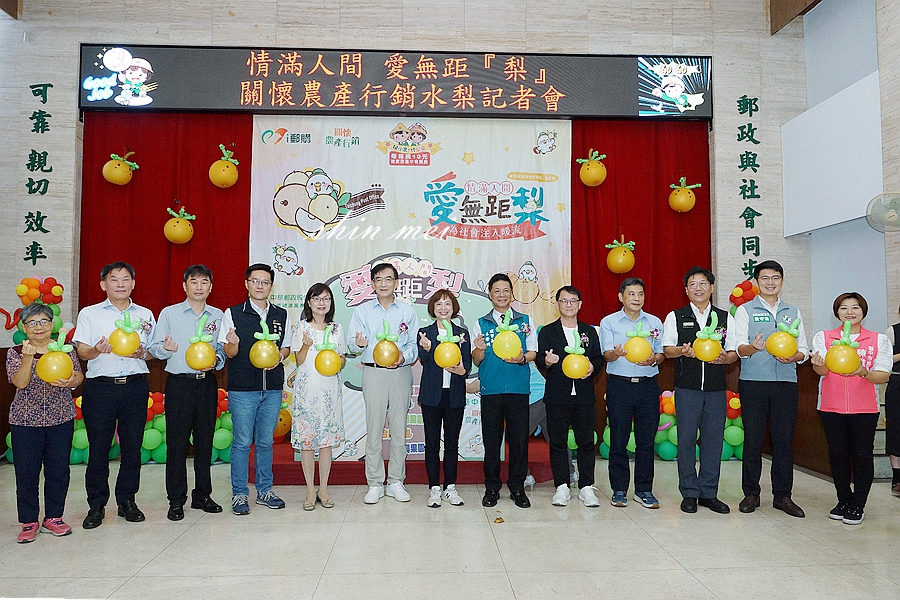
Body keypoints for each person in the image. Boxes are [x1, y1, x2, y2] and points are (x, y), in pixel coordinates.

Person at [74, 261, 156, 529]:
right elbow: (82, 351)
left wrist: (143, 353)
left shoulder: (145, 314)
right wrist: (97, 350)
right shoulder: (90, 314)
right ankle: (96, 505)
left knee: (132, 448)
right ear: (103, 284)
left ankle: (127, 501)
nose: (120, 284)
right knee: (98, 449)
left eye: (125, 279)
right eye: (114, 279)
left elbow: (152, 352)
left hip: (135, 386)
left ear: (133, 283)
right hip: (101, 388)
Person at [732, 260, 809, 518]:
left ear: (782, 281)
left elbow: (803, 349)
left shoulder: (793, 311)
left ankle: (783, 496)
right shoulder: (745, 310)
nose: (770, 282)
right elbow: (739, 348)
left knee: (783, 440)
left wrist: (795, 356)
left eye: (775, 278)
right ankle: (751, 493)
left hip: (785, 383)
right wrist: (753, 348)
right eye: (764, 278)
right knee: (753, 439)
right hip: (753, 382)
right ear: (756, 282)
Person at [149, 265, 226, 521]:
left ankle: (202, 495)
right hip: (179, 384)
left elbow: (222, 350)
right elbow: (155, 348)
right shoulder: (169, 314)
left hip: (206, 384)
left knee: (205, 442)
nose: (199, 287)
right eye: (194, 282)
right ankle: (176, 500)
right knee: (177, 443)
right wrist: (166, 349)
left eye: (204, 282)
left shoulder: (218, 316)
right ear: (185, 286)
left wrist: (217, 360)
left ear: (211, 286)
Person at [810, 293, 891, 524]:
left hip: (865, 409)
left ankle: (858, 504)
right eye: (844, 308)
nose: (850, 312)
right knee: (838, 455)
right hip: (831, 406)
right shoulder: (824, 337)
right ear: (837, 312)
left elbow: (883, 375)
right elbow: (822, 371)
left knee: (862, 455)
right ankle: (844, 500)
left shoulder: (878, 340)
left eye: (855, 307)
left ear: (863, 311)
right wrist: (818, 365)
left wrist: (863, 372)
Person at [662, 267, 737, 514]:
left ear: (712, 288)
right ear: (686, 290)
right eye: (693, 284)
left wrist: (726, 358)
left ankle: (709, 493)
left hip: (716, 389)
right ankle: (689, 493)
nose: (698, 288)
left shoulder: (725, 317)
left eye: (703, 283)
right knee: (686, 440)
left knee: (713, 441)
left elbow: (734, 352)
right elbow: (667, 350)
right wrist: (682, 351)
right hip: (687, 388)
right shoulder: (676, 316)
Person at [7, 303, 84, 543]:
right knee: (26, 473)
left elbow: (78, 375)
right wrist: (28, 358)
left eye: (43, 321)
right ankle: (29, 521)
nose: (38, 327)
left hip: (60, 418)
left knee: (58, 471)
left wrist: (72, 381)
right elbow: (20, 382)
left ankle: (54, 518)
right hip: (25, 421)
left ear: (52, 325)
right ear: (24, 327)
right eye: (32, 322)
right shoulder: (16, 352)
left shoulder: (65, 349)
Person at [218, 263, 291, 515]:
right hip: (243, 389)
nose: (260, 286)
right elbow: (229, 352)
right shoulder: (233, 313)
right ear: (247, 284)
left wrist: (279, 356)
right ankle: (239, 493)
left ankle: (265, 490)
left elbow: (286, 348)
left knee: (265, 442)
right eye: (255, 281)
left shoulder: (281, 314)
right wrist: (232, 344)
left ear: (271, 286)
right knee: (241, 442)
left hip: (272, 388)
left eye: (265, 282)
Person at [347, 263, 417, 504]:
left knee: (399, 428)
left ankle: (396, 481)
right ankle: (375, 482)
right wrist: (358, 344)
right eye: (379, 279)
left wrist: (403, 357)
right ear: (372, 283)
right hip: (373, 373)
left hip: (400, 372)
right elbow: (352, 343)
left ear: (396, 283)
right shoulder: (363, 311)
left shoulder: (407, 311)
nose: (384, 284)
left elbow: (413, 346)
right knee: (374, 428)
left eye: (389, 279)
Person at [472, 273, 537, 509]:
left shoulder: (525, 321)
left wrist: (522, 359)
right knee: (492, 441)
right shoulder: (481, 323)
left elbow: (533, 351)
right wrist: (479, 349)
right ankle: (492, 488)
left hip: (518, 388)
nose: (502, 295)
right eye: (497, 291)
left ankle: (517, 488)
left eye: (506, 290)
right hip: (491, 388)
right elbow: (476, 359)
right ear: (490, 294)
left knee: (519, 441)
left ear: (512, 294)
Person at [535, 286, 604, 508]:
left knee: (586, 442)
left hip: (584, 396)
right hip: (557, 396)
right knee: (558, 442)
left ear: (580, 304)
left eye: (573, 300)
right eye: (564, 301)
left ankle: (586, 486)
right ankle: (562, 486)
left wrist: (592, 367)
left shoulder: (589, 332)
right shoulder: (548, 332)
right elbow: (539, 360)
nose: (568, 305)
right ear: (557, 304)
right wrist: (547, 362)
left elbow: (598, 358)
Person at [599, 277, 665, 509]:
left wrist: (654, 359)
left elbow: (661, 354)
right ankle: (619, 489)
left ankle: (644, 490)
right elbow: (606, 355)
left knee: (646, 441)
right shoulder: (609, 322)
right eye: (631, 294)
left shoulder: (654, 322)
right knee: (619, 440)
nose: (636, 298)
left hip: (648, 386)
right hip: (620, 386)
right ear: (621, 297)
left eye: (640, 294)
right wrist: (616, 354)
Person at [290, 283, 347, 511]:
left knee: (326, 442)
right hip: (307, 391)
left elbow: (342, 359)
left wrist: (336, 360)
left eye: (326, 299)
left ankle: (323, 489)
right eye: (317, 298)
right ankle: (310, 490)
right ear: (309, 302)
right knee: (306, 443)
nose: (321, 303)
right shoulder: (301, 327)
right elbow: (299, 360)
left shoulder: (336, 329)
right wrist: (305, 345)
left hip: (329, 391)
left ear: (331, 303)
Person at [417, 289, 472, 508]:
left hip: (454, 395)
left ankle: (450, 486)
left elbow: (467, 365)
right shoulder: (425, 333)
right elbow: (424, 359)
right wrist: (428, 348)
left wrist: (461, 370)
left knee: (451, 443)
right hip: (431, 396)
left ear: (453, 308)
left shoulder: (462, 333)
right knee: (431, 443)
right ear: (433, 308)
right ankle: (434, 487)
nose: (443, 308)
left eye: (447, 304)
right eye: (439, 304)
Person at [885, 305, 900, 497]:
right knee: (896, 428)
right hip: (897, 383)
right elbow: (885, 360)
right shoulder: (893, 331)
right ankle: (897, 478)